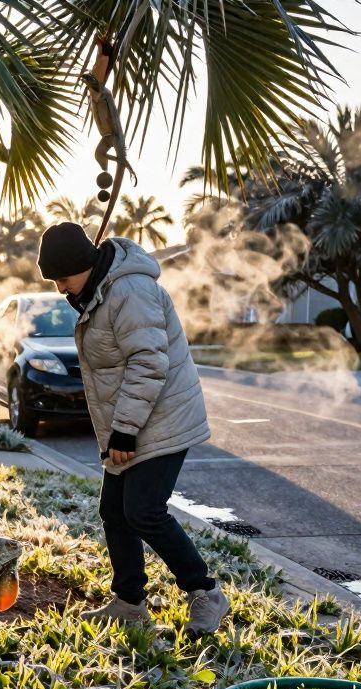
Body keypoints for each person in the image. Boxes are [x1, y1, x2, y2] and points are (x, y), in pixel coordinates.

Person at [36, 221, 228, 635]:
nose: (61, 289)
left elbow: (148, 362)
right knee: (114, 511)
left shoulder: (129, 292)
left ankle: (206, 594)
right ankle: (129, 603)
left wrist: (123, 431)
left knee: (143, 511)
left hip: (160, 419)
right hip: (133, 422)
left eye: (63, 279)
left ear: (83, 265)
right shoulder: (97, 293)